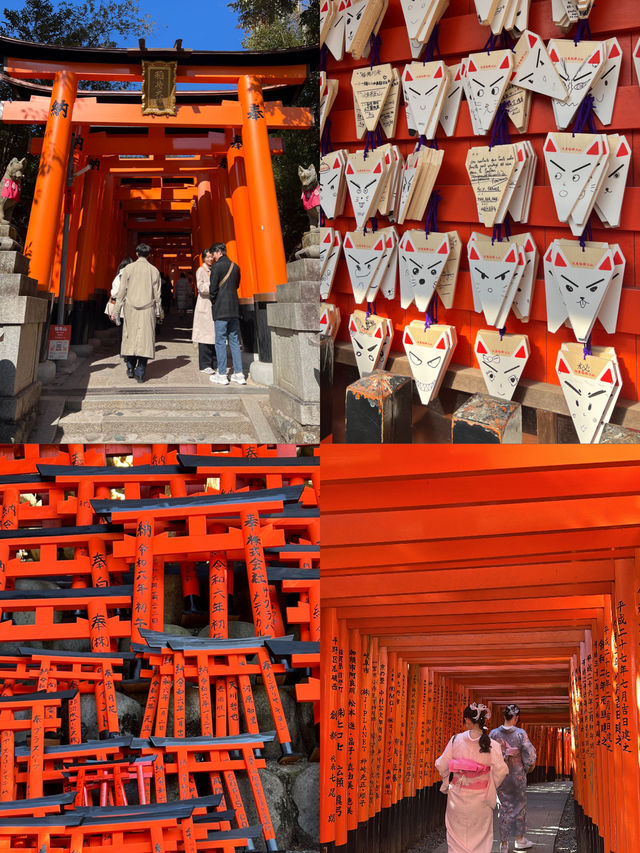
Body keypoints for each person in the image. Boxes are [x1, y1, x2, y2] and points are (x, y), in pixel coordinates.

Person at [435, 702, 509, 853]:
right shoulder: (492, 744)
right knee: (481, 836)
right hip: (480, 799)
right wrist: (490, 785)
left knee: (456, 836)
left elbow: (441, 764)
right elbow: (501, 771)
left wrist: (446, 779)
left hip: (458, 796)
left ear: (467, 721)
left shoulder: (455, 740)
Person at [113, 243, 163, 383]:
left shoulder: (128, 269)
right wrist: (159, 311)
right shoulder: (154, 270)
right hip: (147, 309)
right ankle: (140, 372)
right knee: (145, 340)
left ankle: (130, 367)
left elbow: (121, 292)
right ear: (149, 254)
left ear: (136, 253)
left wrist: (116, 310)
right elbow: (157, 294)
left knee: (130, 337)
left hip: (130, 309)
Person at [490, 704, 537, 853]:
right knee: (519, 805)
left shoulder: (494, 734)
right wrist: (529, 767)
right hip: (517, 774)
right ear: (516, 718)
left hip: (501, 775)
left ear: (504, 716)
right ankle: (520, 840)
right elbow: (529, 754)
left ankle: (504, 844)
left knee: (503, 807)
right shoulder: (520, 734)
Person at [208, 242, 246, 386]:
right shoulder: (235, 267)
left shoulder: (217, 267)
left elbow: (213, 289)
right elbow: (236, 285)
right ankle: (239, 373)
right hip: (234, 309)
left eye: (213, 255)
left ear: (218, 252)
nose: (212, 258)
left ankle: (222, 374)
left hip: (221, 309)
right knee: (235, 341)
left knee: (220, 341)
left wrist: (214, 301)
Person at [192, 248, 217, 374]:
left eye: (211, 257)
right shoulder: (201, 270)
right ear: (203, 258)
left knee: (213, 335)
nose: (210, 259)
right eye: (207, 257)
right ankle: (205, 364)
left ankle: (213, 362)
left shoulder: (214, 269)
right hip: (204, 305)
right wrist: (214, 286)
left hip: (213, 305)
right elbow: (201, 288)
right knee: (204, 336)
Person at [105, 256, 133, 322]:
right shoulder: (133, 277)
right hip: (130, 308)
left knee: (120, 328)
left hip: (119, 308)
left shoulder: (119, 276)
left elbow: (114, 293)